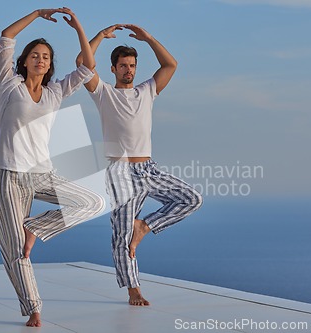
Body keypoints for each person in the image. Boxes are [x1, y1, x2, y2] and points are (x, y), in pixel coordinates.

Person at [0, 8, 105, 327]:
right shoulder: (10, 84)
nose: (41, 59)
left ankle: (37, 227)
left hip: (42, 174)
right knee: (14, 249)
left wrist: (81, 29)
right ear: (24, 61)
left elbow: (88, 67)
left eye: (46, 56)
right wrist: (36, 13)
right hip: (7, 175)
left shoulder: (55, 91)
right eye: (35, 55)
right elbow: (6, 36)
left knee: (93, 202)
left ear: (50, 64)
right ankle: (34, 307)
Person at [76, 24, 203, 306]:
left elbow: (170, 64)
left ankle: (144, 227)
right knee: (120, 234)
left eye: (132, 65)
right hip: (120, 172)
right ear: (113, 69)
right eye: (123, 66)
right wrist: (98, 37)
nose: (128, 70)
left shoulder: (147, 90)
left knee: (191, 199)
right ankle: (134, 289)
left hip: (148, 169)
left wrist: (148, 39)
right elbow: (81, 64)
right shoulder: (103, 93)